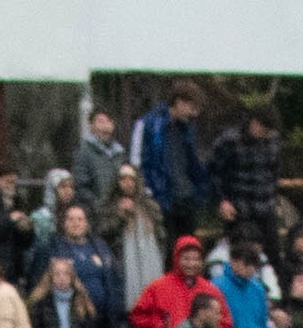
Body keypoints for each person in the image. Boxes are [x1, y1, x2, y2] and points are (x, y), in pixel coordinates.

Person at [131, 85, 208, 243]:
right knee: (167, 248)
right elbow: (136, 163)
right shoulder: (147, 124)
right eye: (192, 108)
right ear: (179, 102)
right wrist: (147, 193)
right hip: (161, 199)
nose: (195, 113)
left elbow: (193, 162)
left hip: (186, 198)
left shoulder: (188, 128)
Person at [209, 108, 282, 268]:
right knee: (238, 254)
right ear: (254, 123)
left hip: (265, 206)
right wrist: (222, 200)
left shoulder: (273, 141)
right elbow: (214, 173)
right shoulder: (229, 140)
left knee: (273, 254)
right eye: (263, 129)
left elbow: (274, 173)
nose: (264, 134)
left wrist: (275, 199)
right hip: (238, 207)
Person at [99, 163, 166, 315]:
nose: (128, 183)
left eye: (131, 179)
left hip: (150, 268)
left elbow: (161, 239)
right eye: (123, 178)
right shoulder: (108, 207)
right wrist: (121, 216)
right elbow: (103, 234)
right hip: (123, 274)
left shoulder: (151, 207)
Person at [73, 109, 128, 218]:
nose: (105, 126)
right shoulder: (83, 151)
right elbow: (80, 186)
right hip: (93, 213)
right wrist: (100, 207)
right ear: (91, 126)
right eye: (100, 121)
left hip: (118, 213)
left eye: (109, 121)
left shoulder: (119, 153)